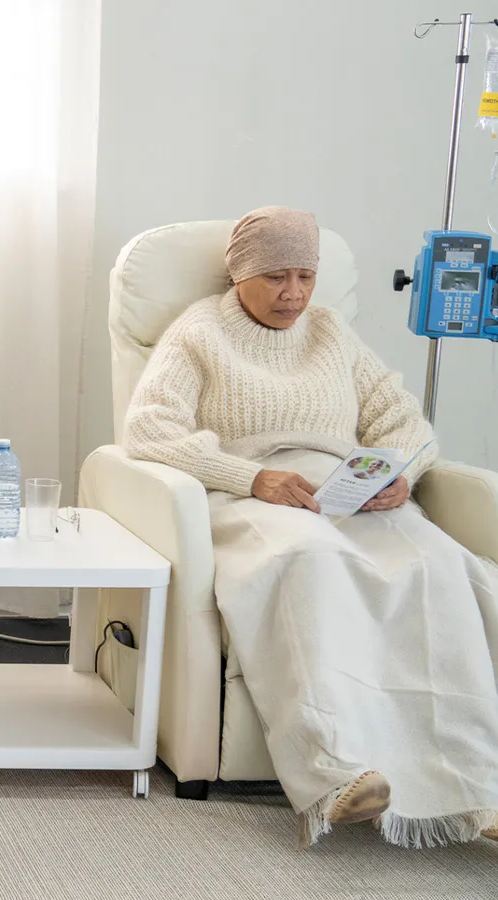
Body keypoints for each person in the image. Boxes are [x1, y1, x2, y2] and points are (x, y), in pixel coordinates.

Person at [125, 206, 498, 847]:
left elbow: (402, 417)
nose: (293, 294)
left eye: (305, 275)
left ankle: (481, 792)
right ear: (239, 274)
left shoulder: (331, 332)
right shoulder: (199, 332)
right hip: (251, 496)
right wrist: (250, 478)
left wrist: (398, 473)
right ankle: (339, 772)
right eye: (275, 276)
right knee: (312, 561)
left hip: (347, 492)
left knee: (439, 565)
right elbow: (149, 428)